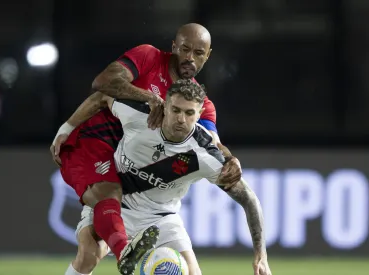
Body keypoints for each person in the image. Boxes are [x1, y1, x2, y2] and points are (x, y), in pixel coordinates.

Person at [52, 23, 242, 275]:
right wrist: (66, 127)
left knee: (89, 253)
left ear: (207, 56)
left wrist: (231, 159)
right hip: (94, 142)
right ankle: (126, 253)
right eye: (185, 49)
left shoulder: (200, 104)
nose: (189, 58)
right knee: (106, 202)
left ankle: (125, 248)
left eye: (198, 53)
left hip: (132, 166)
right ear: (174, 47)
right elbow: (102, 85)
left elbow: (214, 144)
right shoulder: (149, 57)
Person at [64, 80, 272, 275]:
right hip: (115, 205)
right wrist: (66, 129)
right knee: (88, 255)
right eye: (176, 110)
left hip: (160, 218)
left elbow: (249, 199)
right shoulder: (138, 114)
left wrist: (261, 255)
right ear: (165, 106)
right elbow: (104, 95)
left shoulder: (205, 155)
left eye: (189, 113)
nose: (181, 119)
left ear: (199, 114)